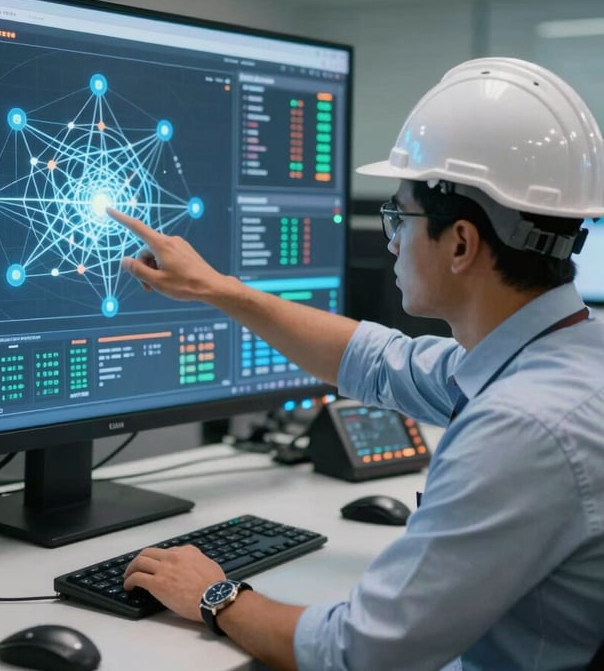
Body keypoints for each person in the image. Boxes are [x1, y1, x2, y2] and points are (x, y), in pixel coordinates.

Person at [108, 57, 604, 670]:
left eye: (400, 216)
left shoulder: (522, 427)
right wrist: (218, 290)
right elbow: (378, 360)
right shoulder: (568, 353)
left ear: (460, 244)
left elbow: (361, 652)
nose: (391, 239)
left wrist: (216, 595)